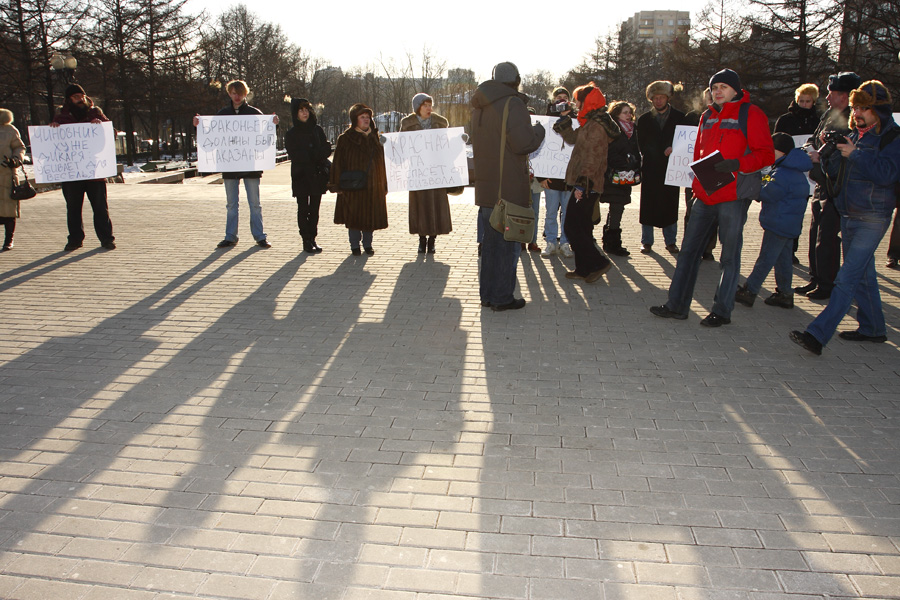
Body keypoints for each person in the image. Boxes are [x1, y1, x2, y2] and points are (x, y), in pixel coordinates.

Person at [650, 69, 774, 327]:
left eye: (723, 87)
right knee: (688, 252)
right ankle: (677, 305)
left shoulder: (751, 114)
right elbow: (698, 153)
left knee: (729, 257)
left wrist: (737, 163)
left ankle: (722, 310)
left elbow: (766, 155)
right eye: (714, 87)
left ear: (736, 89)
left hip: (733, 195)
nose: (718, 91)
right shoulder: (707, 115)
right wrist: (696, 184)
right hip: (704, 194)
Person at [791, 81, 900, 355]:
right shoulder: (856, 135)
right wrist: (824, 156)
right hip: (849, 212)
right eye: (855, 107)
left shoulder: (891, 137)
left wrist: (855, 154)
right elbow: (839, 174)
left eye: (865, 108)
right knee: (863, 274)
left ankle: (817, 334)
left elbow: (887, 174)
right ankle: (873, 328)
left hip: (874, 216)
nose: (858, 113)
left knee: (847, 277)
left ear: (880, 111)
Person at [470, 61, 545, 311]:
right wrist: (539, 132)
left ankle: (488, 295)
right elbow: (522, 144)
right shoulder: (513, 104)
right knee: (509, 244)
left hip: (487, 187)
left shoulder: (480, 106)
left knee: (490, 247)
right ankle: (502, 297)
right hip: (508, 187)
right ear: (516, 79)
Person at [793, 72, 863, 300]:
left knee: (828, 237)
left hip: (837, 186)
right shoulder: (828, 115)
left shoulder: (854, 118)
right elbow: (813, 139)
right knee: (815, 233)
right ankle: (816, 277)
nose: (828, 97)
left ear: (844, 95)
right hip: (821, 183)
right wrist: (813, 150)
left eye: (831, 93)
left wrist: (822, 156)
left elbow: (846, 154)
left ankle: (827, 283)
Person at [194, 80, 278, 249]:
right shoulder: (223, 114)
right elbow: (210, 137)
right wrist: (198, 125)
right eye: (233, 92)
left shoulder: (255, 113)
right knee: (232, 203)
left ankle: (259, 236)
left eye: (239, 92)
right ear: (229, 94)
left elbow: (264, 138)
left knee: (254, 203)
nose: (237, 96)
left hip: (250, 166)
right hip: (230, 166)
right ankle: (231, 236)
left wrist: (273, 124)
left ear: (245, 93)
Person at [734, 133, 812, 309]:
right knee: (783, 259)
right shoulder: (791, 169)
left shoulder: (783, 172)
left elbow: (768, 193)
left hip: (778, 223)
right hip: (788, 223)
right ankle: (785, 293)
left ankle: (750, 290)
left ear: (779, 151)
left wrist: (754, 186)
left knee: (766, 258)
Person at [553, 82, 616, 282]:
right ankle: (584, 268)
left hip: (588, 184)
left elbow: (593, 157)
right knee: (581, 226)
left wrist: (582, 184)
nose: (576, 103)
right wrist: (564, 119)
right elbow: (572, 139)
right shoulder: (590, 123)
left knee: (572, 226)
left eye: (578, 100)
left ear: (587, 102)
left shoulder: (596, 126)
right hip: (586, 183)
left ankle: (598, 263)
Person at [50, 84, 115, 251]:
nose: (80, 99)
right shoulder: (62, 117)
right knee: (73, 209)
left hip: (94, 172)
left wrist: (101, 125)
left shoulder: (95, 113)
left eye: (82, 96)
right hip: (71, 173)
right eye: (76, 97)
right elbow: (52, 142)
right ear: (68, 100)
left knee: (100, 208)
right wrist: (53, 130)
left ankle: (106, 239)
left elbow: (111, 132)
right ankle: (75, 239)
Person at [329, 103, 388, 255]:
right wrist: (337, 184)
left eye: (368, 117)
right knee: (353, 216)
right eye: (362, 117)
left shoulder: (376, 138)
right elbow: (337, 163)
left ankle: (368, 244)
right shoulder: (345, 138)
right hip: (352, 185)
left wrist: (384, 183)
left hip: (373, 185)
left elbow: (383, 162)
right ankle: (354, 245)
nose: (366, 120)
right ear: (355, 119)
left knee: (370, 216)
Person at [400, 93, 452, 254]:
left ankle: (432, 240)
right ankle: (422, 240)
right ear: (417, 107)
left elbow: (448, 146)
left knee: (436, 205)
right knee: (420, 206)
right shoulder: (408, 124)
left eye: (430, 105)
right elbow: (401, 148)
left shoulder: (440, 123)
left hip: (436, 172)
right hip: (417, 173)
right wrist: (388, 144)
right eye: (425, 105)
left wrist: (460, 140)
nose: (429, 108)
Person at [774, 83, 821, 265]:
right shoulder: (786, 119)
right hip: (787, 169)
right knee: (787, 210)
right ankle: (786, 249)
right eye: (800, 100)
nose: (803, 104)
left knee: (800, 213)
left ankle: (792, 249)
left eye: (807, 101)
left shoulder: (817, 120)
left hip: (809, 171)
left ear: (813, 101)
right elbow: (777, 141)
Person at [637, 80, 685, 255]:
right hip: (651, 168)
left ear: (667, 98)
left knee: (670, 205)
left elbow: (686, 140)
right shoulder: (644, 119)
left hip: (672, 168)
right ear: (651, 99)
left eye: (662, 97)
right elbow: (641, 144)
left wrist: (674, 149)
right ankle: (646, 241)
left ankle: (670, 241)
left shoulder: (680, 117)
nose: (658, 101)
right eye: (655, 98)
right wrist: (653, 153)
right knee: (648, 205)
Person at [284, 97, 331, 254]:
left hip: (317, 175)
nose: (305, 113)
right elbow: (296, 155)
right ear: (295, 113)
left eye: (306, 110)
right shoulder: (291, 133)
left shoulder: (317, 130)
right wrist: (314, 154)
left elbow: (326, 150)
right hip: (301, 176)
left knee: (315, 209)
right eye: (301, 110)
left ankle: (313, 238)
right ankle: (305, 239)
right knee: (303, 208)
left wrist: (313, 154)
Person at [599, 100, 639, 257]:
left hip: (626, 176)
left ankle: (611, 240)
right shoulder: (612, 129)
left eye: (629, 112)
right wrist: (624, 162)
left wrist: (635, 162)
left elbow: (636, 149)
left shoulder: (633, 130)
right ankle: (612, 242)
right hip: (612, 175)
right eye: (625, 112)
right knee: (615, 207)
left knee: (618, 208)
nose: (628, 115)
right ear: (616, 114)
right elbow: (609, 151)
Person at [539, 87, 575, 258]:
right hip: (551, 178)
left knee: (568, 214)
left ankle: (566, 242)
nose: (561, 101)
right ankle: (551, 242)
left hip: (570, 178)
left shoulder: (576, 121)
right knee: (551, 212)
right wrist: (541, 176)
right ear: (553, 101)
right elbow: (539, 149)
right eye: (558, 98)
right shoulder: (545, 120)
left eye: (564, 98)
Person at [0, 109, 26, 251]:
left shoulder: (10, 130)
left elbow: (20, 147)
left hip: (7, 174)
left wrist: (15, 160)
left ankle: (9, 239)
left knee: (9, 210)